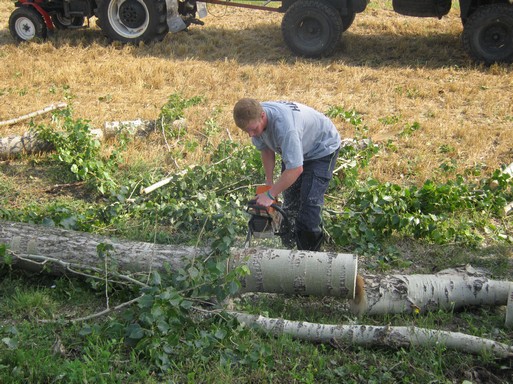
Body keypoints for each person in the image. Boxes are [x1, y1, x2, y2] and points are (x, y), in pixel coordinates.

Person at [233, 98, 341, 251]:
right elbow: (266, 149)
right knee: (290, 207)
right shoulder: (255, 118)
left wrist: (270, 195)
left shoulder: (286, 129)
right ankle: (287, 253)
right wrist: (269, 184)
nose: (251, 135)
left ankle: (311, 258)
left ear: (263, 116)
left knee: (308, 208)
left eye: (253, 129)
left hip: (321, 149)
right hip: (297, 148)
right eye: (247, 131)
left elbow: (296, 169)